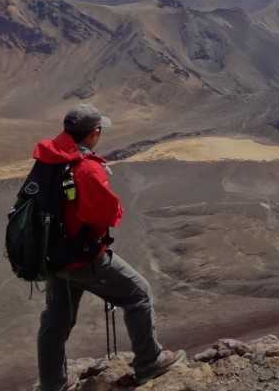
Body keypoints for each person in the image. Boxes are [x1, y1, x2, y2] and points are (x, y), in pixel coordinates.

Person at [35, 104, 184, 391]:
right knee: (138, 293)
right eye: (99, 130)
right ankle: (149, 363)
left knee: (55, 321)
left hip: (53, 255)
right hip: (83, 256)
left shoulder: (49, 157)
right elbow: (105, 213)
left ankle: (51, 384)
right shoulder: (87, 170)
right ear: (93, 134)